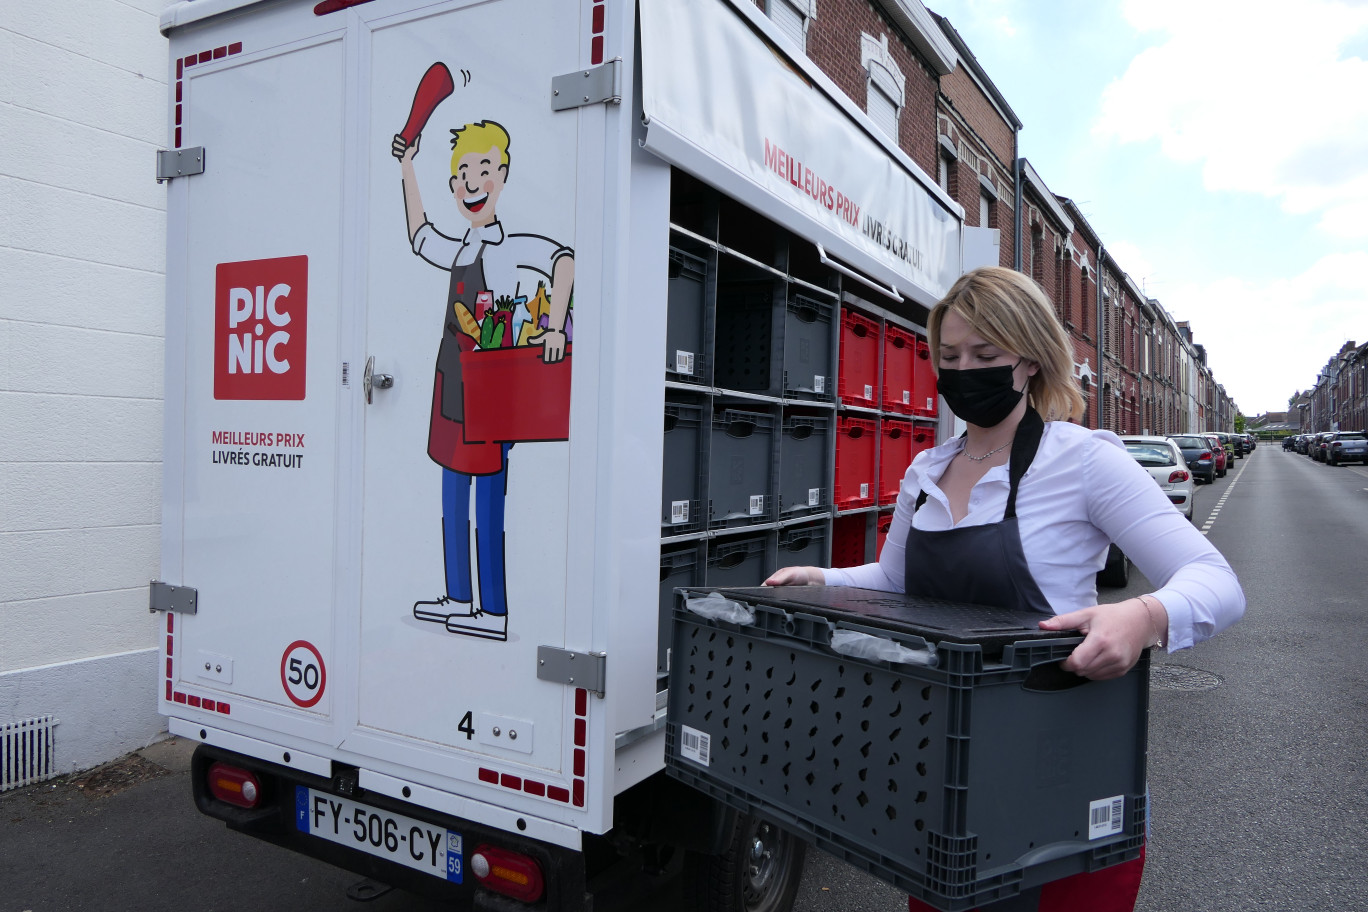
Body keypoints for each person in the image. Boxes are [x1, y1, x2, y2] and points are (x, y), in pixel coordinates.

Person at [764, 266, 1245, 911]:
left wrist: (1141, 617)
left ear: (1029, 360)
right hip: (949, 769)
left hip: (1061, 773)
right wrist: (819, 580)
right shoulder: (928, 469)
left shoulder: (1085, 461)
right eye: (951, 356)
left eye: (985, 355)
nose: (965, 371)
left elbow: (1217, 583)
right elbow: (895, 581)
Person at [394, 119, 574, 642]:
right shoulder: (460, 249)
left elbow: (564, 261)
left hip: (490, 387)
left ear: (502, 175)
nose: (472, 182)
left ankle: (491, 609)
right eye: (462, 173)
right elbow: (418, 235)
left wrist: (553, 325)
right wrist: (407, 166)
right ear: (452, 185)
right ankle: (457, 596)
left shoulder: (508, 247)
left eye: (483, 170)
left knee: (488, 498)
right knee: (452, 492)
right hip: (451, 382)